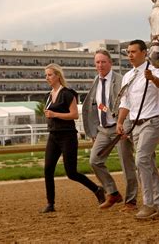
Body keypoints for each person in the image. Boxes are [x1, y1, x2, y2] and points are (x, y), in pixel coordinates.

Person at [41, 63, 104, 213]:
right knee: (48, 169)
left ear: (57, 76)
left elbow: (74, 115)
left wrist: (55, 114)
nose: (47, 78)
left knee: (71, 173)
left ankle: (97, 190)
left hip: (67, 136)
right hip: (53, 136)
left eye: (49, 75)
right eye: (46, 75)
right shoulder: (49, 95)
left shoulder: (68, 93)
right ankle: (50, 203)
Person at [116, 39, 159, 220]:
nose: (130, 55)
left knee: (141, 160)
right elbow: (125, 102)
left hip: (152, 122)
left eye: (133, 52)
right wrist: (120, 122)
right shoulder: (128, 76)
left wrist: (152, 78)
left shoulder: (155, 71)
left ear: (144, 53)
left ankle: (148, 203)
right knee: (148, 164)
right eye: (128, 52)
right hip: (136, 126)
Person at [82, 49, 138, 211]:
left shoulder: (121, 80)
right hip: (103, 130)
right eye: (97, 62)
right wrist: (93, 131)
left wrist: (126, 128)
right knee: (94, 160)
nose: (100, 65)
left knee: (127, 166)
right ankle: (112, 192)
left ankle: (131, 201)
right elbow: (93, 108)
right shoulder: (96, 82)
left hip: (120, 128)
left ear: (110, 63)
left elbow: (128, 105)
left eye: (103, 62)